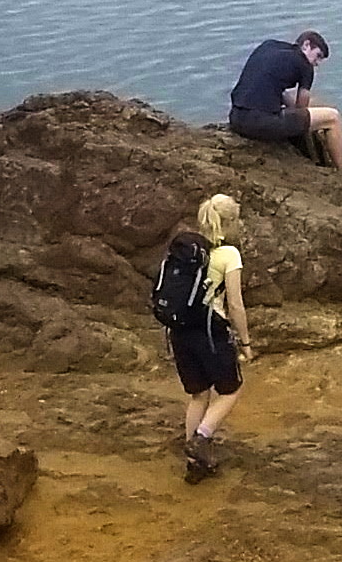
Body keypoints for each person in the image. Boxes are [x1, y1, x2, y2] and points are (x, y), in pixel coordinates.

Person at [151, 192, 253, 479]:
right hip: (211, 332)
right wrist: (245, 343)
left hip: (180, 331)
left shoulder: (187, 252)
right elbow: (235, 304)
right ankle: (202, 438)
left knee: (198, 395)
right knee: (231, 389)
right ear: (230, 222)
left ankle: (194, 464)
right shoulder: (228, 255)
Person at [226, 29, 342, 174]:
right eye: (317, 56)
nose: (317, 63)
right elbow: (301, 109)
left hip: (236, 118)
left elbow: (269, 86)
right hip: (259, 124)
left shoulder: (268, 46)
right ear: (306, 45)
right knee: (333, 118)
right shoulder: (305, 65)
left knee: (297, 108)